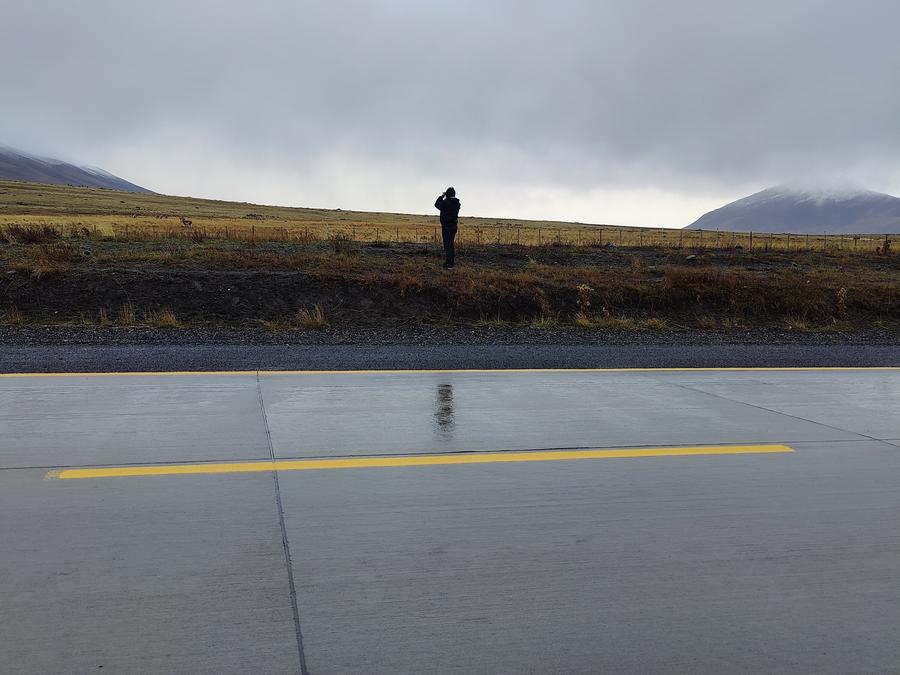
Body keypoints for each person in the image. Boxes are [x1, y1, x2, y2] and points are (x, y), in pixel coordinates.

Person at [434, 187, 461, 268]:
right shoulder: (457, 203)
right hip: (454, 226)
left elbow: (437, 204)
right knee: (451, 244)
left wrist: (442, 196)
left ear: (447, 194)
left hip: (446, 227)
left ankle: (449, 263)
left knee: (447, 245)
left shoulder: (446, 202)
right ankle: (451, 261)